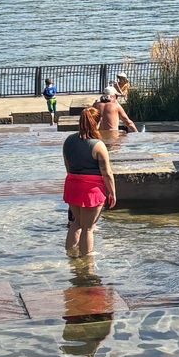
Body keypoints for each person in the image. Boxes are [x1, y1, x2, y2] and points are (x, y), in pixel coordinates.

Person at [62, 106, 118, 258]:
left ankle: (70, 256)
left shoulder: (68, 141)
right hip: (91, 190)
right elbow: (107, 173)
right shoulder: (98, 145)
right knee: (88, 228)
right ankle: (87, 263)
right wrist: (112, 192)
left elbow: (68, 167)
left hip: (72, 185)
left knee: (76, 223)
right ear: (97, 123)